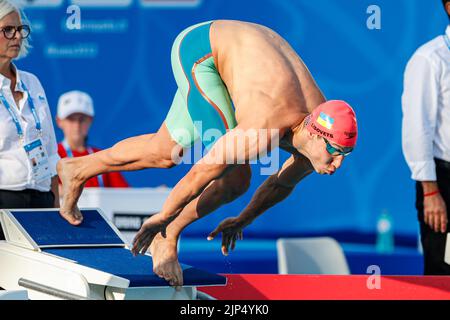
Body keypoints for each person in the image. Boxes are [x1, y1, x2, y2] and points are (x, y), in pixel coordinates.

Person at [57, 20, 358, 286]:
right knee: (235, 177)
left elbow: (281, 183)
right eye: (335, 152)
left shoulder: (315, 133)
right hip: (202, 53)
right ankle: (168, 237)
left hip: (243, 55)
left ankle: (76, 169)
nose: (339, 162)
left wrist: (243, 219)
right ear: (316, 135)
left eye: (345, 153)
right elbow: (203, 170)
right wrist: (164, 218)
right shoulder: (263, 128)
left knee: (164, 152)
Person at [0, 0, 60, 240]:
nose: (16, 36)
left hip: (40, 200)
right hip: (4, 198)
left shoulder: (32, 82)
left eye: (20, 29)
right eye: (7, 30)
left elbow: (51, 150)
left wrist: (56, 205)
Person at [401, 0, 450, 275]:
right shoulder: (430, 59)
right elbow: (416, 127)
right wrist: (431, 191)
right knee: (445, 270)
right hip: (443, 183)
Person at [56, 90, 128, 191]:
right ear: (59, 121)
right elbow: (46, 192)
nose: (77, 125)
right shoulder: (52, 154)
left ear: (90, 121)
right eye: (71, 119)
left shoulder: (103, 156)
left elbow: (125, 193)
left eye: (82, 119)